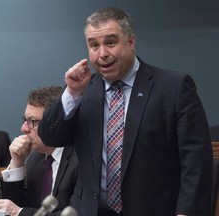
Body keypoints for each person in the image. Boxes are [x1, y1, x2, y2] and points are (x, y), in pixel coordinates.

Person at [38, 7, 213, 216]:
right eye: (94, 45)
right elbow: (50, 136)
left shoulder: (173, 87)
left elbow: (196, 162)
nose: (102, 54)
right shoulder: (84, 91)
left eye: (110, 43)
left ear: (131, 42)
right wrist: (72, 93)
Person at [0, 86, 79, 216]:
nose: (23, 128)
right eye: (25, 120)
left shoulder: (79, 160)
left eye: (32, 121)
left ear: (56, 123)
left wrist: (21, 213)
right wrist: (17, 162)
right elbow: (9, 207)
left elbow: (74, 213)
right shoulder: (36, 158)